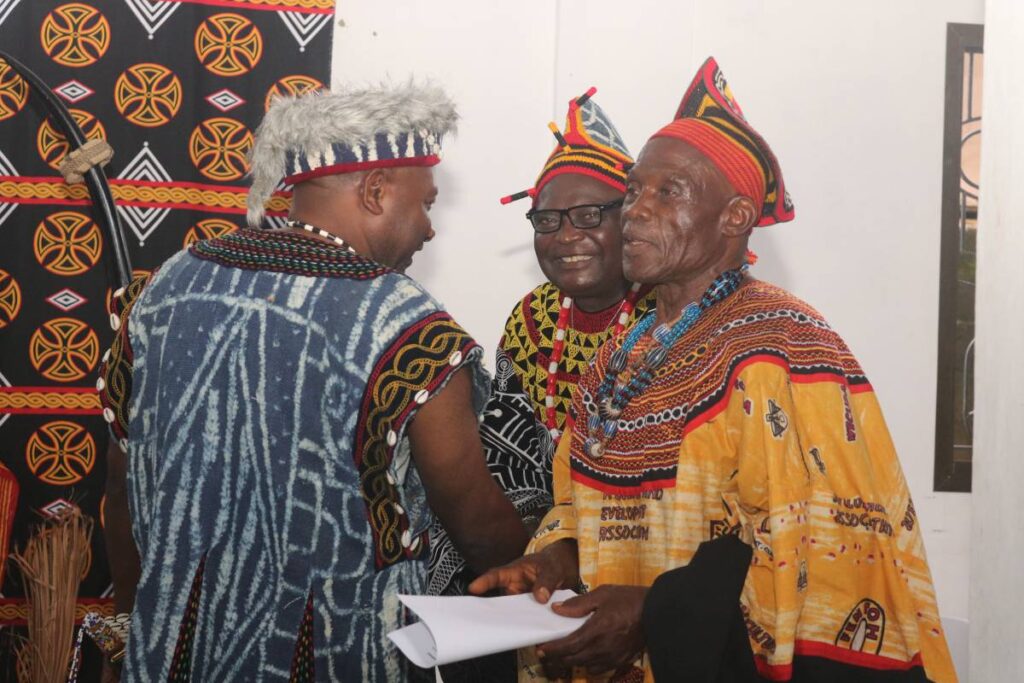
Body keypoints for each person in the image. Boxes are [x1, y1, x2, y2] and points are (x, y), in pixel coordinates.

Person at [471, 58, 957, 683]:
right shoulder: (623, 358)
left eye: (666, 192)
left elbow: (817, 556)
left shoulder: (782, 346)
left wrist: (654, 615)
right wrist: (555, 562)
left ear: (734, 218)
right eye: (634, 191)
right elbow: (577, 500)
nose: (637, 212)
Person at [97, 83, 528, 682]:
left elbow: (121, 488)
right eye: (426, 203)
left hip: (172, 651)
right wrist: (549, 571)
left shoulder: (164, 289)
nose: (429, 228)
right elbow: (477, 526)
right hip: (335, 656)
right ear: (376, 192)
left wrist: (131, 622)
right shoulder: (409, 328)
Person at [428, 88, 655, 599]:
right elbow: (511, 451)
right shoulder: (536, 316)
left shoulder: (665, 314)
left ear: (631, 219)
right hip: (546, 542)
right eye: (547, 220)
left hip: (648, 559)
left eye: (590, 215)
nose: (566, 236)